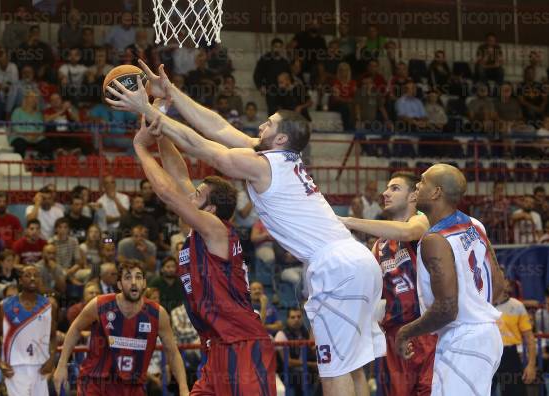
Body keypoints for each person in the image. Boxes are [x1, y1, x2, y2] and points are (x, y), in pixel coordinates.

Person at [110, 61, 384, 396]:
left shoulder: (263, 165)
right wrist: (169, 94)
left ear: (280, 137)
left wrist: (147, 111)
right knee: (351, 366)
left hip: (336, 264)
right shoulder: (276, 160)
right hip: (354, 260)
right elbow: (218, 126)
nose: (260, 126)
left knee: (333, 369)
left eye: (268, 124)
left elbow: (201, 146)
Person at [130, 114, 277, 395]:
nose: (191, 194)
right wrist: (159, 132)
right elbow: (179, 173)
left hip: (242, 344)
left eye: (197, 194)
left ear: (210, 209)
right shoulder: (204, 223)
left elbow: (167, 192)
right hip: (216, 346)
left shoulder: (214, 227)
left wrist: (140, 147)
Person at [394, 164, 504, 396]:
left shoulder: (435, 240)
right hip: (486, 335)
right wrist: (475, 307)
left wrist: (406, 332)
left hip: (464, 340)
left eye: (422, 181)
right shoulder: (475, 225)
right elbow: (500, 286)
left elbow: (446, 309)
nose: (417, 185)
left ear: (436, 193)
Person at [53, 259, 189, 395]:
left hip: (133, 387)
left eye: (138, 277)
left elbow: (172, 352)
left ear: (144, 284)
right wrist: (62, 364)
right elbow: (75, 329)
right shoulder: (100, 305)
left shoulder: (157, 314)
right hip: (96, 383)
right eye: (128, 277)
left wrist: (183, 389)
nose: (134, 282)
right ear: (119, 284)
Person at [370, 172, 437, 396]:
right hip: (394, 336)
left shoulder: (422, 223)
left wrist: (349, 221)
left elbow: (410, 231)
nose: (385, 193)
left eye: (394, 188)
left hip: (427, 329)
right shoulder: (379, 244)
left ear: (413, 196)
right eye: (387, 188)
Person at [0, 266, 58, 396]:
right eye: (28, 275)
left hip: (41, 367)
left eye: (36, 275)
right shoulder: (4, 306)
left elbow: (53, 337)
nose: (33, 278)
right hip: (15, 368)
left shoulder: (50, 305)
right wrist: (0, 362)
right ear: (20, 280)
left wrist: (51, 360)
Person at [493, 268, 536, 395]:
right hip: (488, 355)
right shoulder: (483, 306)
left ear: (507, 283)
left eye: (503, 278)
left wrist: (531, 365)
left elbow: (529, 338)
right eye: (494, 277)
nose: (499, 281)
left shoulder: (517, 306)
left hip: (510, 355)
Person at [274, 307, 318, 395]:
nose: (296, 319)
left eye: (299, 316)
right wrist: (311, 364)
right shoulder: (281, 334)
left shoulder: (306, 332)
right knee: (299, 376)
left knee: (323, 375)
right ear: (287, 319)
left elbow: (313, 352)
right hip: (287, 371)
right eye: (293, 317)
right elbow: (288, 362)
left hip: (306, 368)